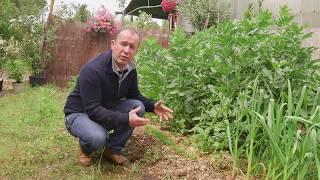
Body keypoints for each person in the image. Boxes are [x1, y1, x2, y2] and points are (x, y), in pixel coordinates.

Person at [64, 28, 173, 167]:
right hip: (79, 113)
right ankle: (85, 148)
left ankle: (112, 149)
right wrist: (126, 118)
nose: (127, 50)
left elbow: (134, 95)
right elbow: (93, 110)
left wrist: (152, 106)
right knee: (97, 137)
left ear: (136, 51)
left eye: (132, 47)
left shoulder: (130, 69)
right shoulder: (93, 70)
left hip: (104, 108)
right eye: (123, 44)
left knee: (137, 106)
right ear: (113, 44)